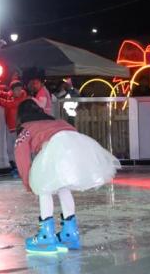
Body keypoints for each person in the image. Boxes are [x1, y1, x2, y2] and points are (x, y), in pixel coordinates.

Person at [14, 99, 120, 253]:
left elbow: (21, 155)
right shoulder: (58, 122)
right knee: (62, 186)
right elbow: (71, 134)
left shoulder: (26, 128)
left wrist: (28, 181)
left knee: (43, 187)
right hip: (75, 145)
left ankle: (46, 236)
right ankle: (70, 233)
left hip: (56, 146)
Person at [0, 81, 28, 178]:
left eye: (20, 89)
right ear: (12, 90)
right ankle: (14, 167)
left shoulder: (23, 97)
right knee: (10, 148)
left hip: (20, 127)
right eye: (16, 90)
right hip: (11, 126)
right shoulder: (10, 94)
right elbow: (2, 93)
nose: (19, 91)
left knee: (19, 148)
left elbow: (10, 104)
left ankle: (21, 168)